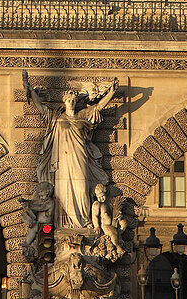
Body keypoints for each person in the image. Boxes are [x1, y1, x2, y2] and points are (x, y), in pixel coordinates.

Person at [23, 70, 119, 228]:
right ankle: (64, 224)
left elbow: (99, 107)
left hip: (80, 159)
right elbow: (40, 107)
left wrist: (112, 92)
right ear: (64, 101)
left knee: (82, 190)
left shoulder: (83, 117)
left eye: (74, 100)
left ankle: (83, 221)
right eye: (69, 100)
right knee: (63, 193)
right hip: (62, 161)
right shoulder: (56, 119)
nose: (72, 103)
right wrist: (30, 90)